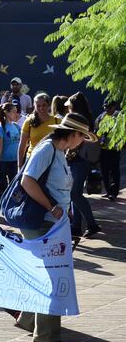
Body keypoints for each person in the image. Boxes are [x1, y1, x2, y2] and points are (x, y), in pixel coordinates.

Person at [14, 113, 94, 342]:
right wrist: (52, 206)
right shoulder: (48, 149)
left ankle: (29, 320)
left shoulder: (57, 151)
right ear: (74, 134)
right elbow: (27, 181)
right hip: (41, 220)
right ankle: (47, 334)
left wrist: (62, 209)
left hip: (49, 221)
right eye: (83, 136)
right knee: (52, 274)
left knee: (46, 272)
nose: (82, 142)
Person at [65, 92, 100, 237]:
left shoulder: (80, 121)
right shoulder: (85, 119)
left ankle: (92, 224)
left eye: (70, 107)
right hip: (79, 161)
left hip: (80, 161)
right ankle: (76, 226)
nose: (68, 109)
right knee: (75, 194)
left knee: (75, 194)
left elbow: (82, 141)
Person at [18, 93, 60, 168]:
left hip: (52, 160)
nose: (41, 108)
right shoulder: (28, 121)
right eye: (38, 106)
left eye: (44, 105)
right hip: (32, 160)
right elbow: (22, 145)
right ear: (34, 106)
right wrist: (19, 166)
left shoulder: (57, 121)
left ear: (48, 105)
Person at [95, 101, 121, 201]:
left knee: (114, 171)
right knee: (104, 171)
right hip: (103, 149)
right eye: (105, 107)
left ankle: (114, 193)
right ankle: (108, 191)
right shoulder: (101, 117)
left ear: (114, 106)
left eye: (109, 107)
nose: (107, 109)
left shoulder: (119, 117)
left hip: (114, 149)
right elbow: (96, 130)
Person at [0, 102, 22, 196]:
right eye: (13, 112)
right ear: (6, 112)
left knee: (15, 186)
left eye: (16, 111)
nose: (16, 114)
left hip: (15, 161)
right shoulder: (0, 128)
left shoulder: (17, 126)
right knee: (3, 187)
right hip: (4, 162)